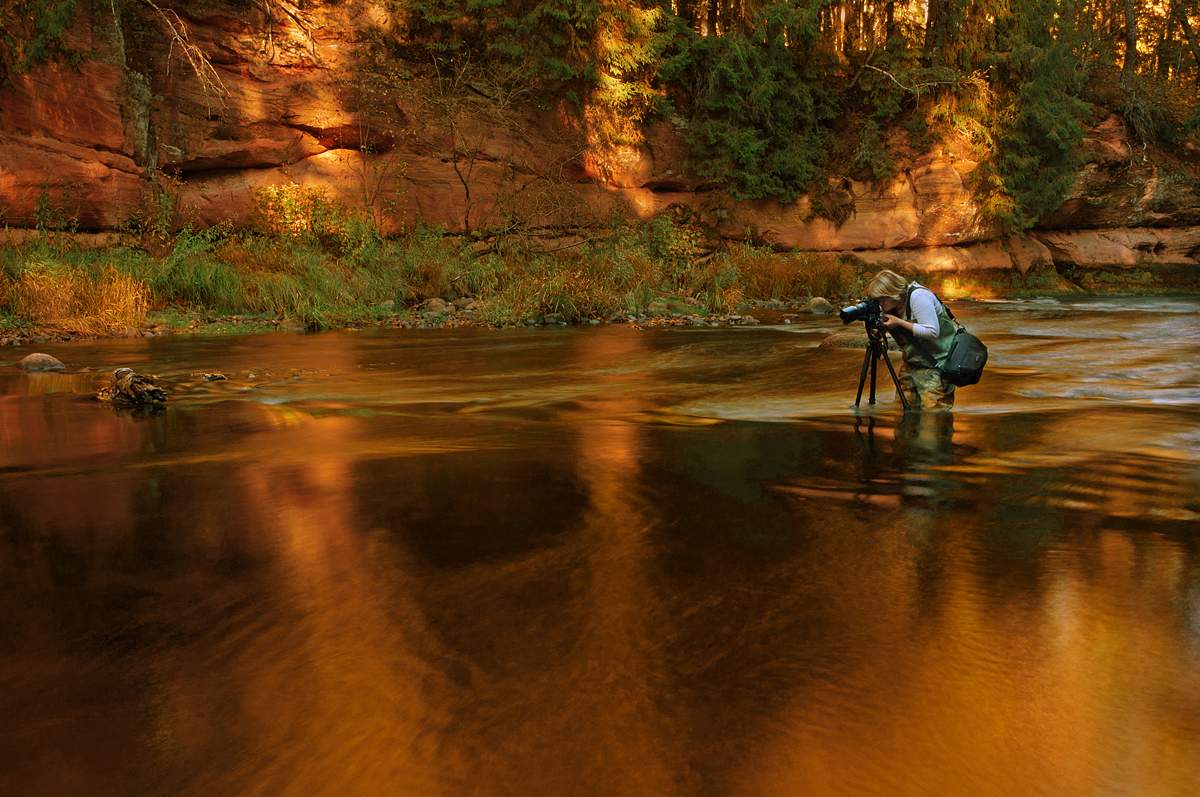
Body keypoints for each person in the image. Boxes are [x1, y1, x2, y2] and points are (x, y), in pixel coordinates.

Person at [865, 269, 957, 409]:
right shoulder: (894, 304)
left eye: (882, 299)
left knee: (934, 414)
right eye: (877, 300)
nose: (880, 304)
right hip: (912, 363)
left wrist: (898, 322)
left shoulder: (919, 297)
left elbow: (932, 332)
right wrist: (881, 329)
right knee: (902, 408)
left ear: (894, 293)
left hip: (938, 365)